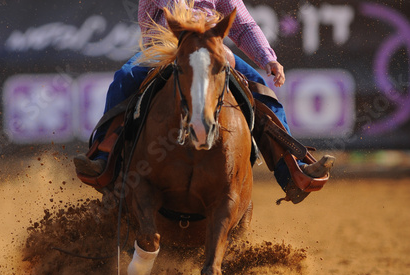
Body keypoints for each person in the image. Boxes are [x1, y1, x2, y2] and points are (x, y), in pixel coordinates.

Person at [74, 0, 335, 204]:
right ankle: (104, 157)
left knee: (262, 91)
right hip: (163, 48)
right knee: (126, 77)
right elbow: (177, 11)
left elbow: (243, 25)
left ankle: (293, 170)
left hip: (210, 49)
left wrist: (268, 59)